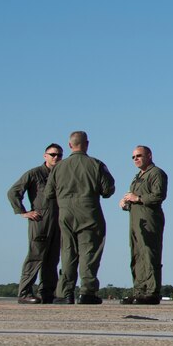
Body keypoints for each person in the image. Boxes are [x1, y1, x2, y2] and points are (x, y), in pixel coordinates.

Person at [48, 130, 114, 304]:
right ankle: (87, 292)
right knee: (89, 252)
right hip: (89, 212)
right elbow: (108, 190)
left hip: (65, 212)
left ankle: (64, 293)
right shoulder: (96, 164)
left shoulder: (58, 167)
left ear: (70, 145)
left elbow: (48, 193)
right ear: (87, 144)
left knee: (68, 252)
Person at [6, 143, 66, 304]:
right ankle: (24, 293)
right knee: (35, 256)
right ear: (45, 156)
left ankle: (47, 293)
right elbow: (13, 192)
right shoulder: (34, 174)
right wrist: (23, 212)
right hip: (40, 220)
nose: (56, 157)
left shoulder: (62, 174)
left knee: (52, 259)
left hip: (58, 220)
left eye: (59, 155)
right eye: (52, 154)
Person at [119, 145, 167, 305]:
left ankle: (152, 292)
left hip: (150, 220)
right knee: (137, 254)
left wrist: (138, 198)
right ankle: (139, 290)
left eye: (139, 156)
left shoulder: (156, 173)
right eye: (133, 157)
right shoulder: (137, 176)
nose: (136, 159)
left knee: (149, 253)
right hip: (136, 221)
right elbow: (134, 198)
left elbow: (158, 196)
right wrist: (126, 202)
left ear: (149, 156)